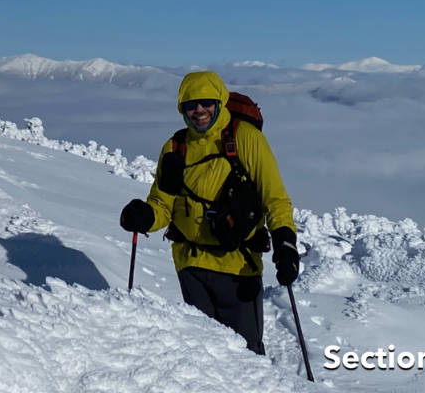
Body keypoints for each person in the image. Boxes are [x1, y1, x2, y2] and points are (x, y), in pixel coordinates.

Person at [120, 70, 299, 354]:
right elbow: (163, 205)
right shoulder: (175, 147)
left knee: (245, 356)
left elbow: (275, 199)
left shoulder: (246, 139)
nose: (199, 110)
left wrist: (285, 242)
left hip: (238, 266)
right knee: (204, 355)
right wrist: (145, 216)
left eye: (206, 102)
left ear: (219, 101)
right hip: (190, 266)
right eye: (191, 104)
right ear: (182, 109)